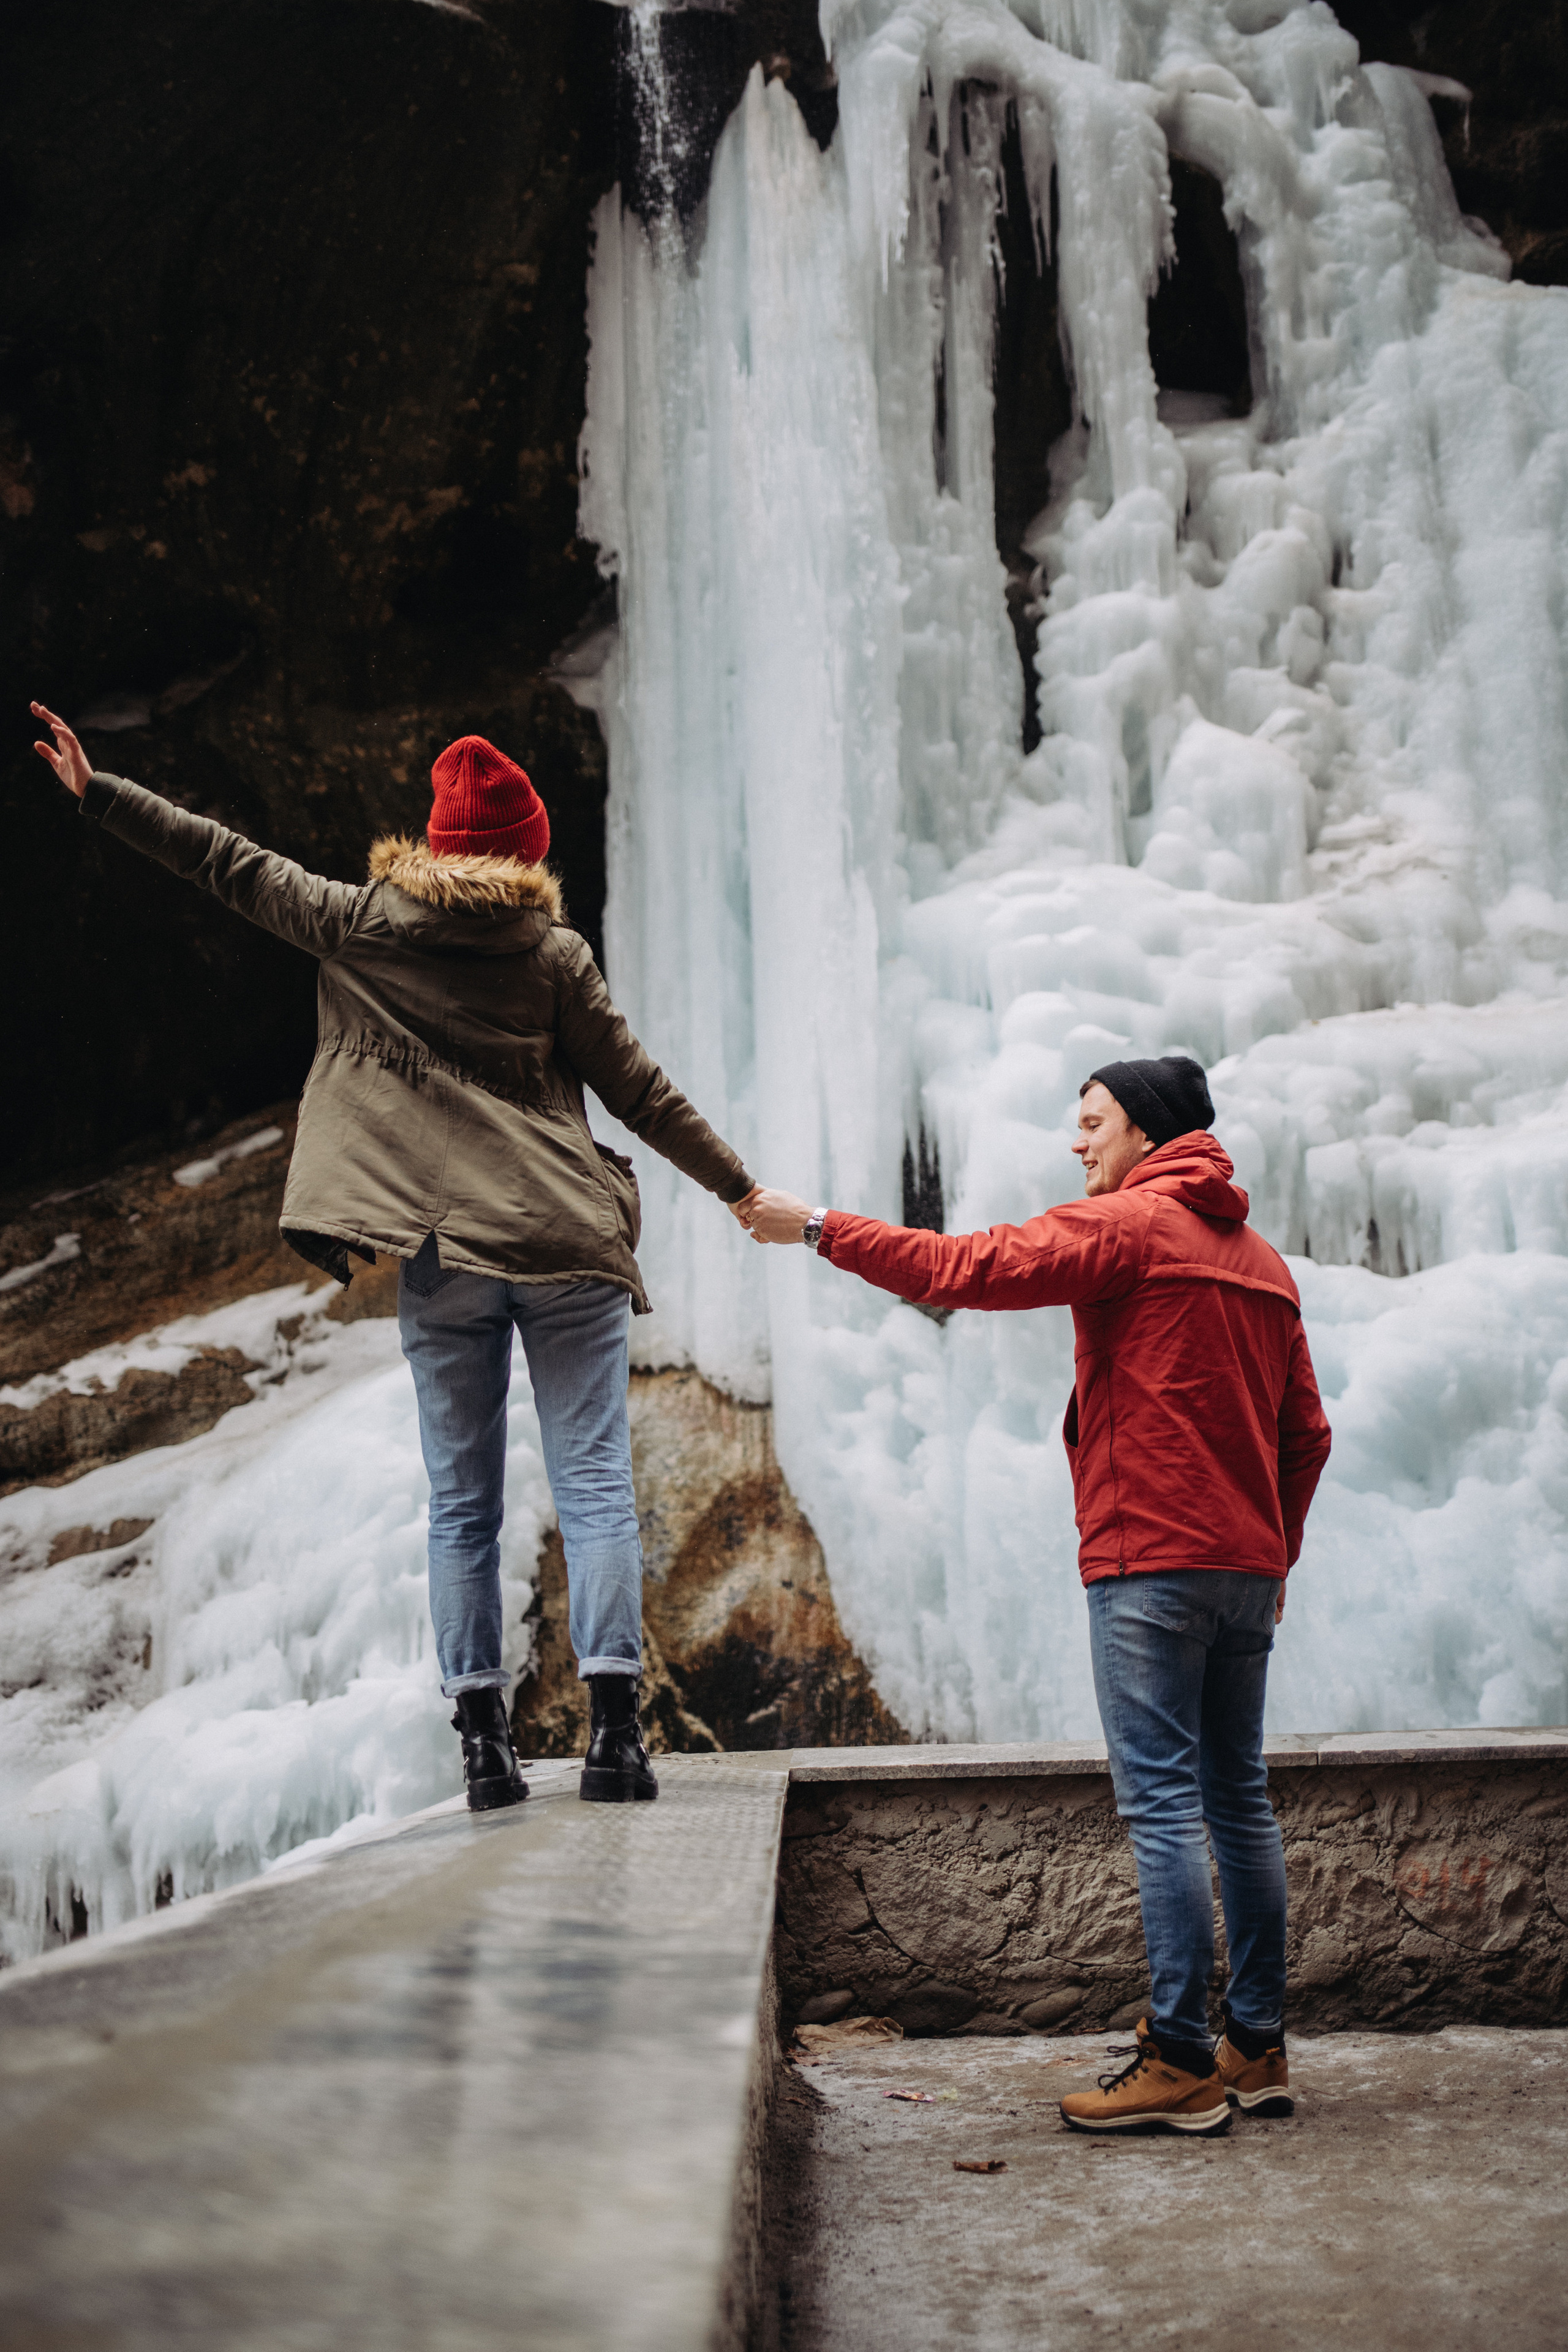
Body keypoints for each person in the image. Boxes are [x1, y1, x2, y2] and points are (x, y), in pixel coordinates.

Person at [32, 703, 760, 1812]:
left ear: (433, 841)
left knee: (462, 1505)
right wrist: (742, 1189)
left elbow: (224, 862)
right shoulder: (553, 953)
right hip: (567, 1245)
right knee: (598, 1489)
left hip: (445, 1253)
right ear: (527, 849)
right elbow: (641, 1094)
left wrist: (102, 794)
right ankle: (617, 1740)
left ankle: (484, 1748)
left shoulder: (358, 922)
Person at [740, 1054, 1332, 2136]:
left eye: (1093, 1121)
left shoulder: (1130, 1228)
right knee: (1238, 1799)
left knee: (1161, 1805)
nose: (1079, 1142)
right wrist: (1274, 1561)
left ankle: (1182, 2060)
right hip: (1245, 1573)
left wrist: (820, 1226)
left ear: (1148, 1133)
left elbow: (966, 1266)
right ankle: (1257, 2045)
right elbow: (1309, 1437)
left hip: (1148, 1561)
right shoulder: (1265, 1266)